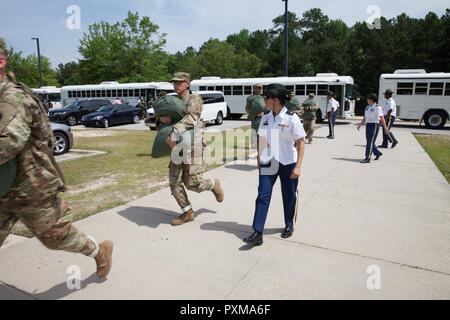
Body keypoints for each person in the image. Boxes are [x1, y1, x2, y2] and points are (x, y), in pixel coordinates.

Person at [0, 38, 113, 278]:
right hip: (2, 190)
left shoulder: (12, 99)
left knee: (56, 238)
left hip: (30, 189)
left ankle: (98, 251)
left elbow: (8, 143)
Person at [243, 84, 306, 246]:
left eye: (267, 98)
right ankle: (257, 232)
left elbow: (300, 142)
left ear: (275, 100)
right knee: (263, 195)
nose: (264, 100)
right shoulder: (265, 117)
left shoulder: (292, 118)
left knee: (289, 195)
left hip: (288, 162)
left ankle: (289, 224)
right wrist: (259, 156)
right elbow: (262, 137)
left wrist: (298, 166)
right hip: (268, 161)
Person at [161, 72, 224, 226]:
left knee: (193, 184)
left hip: (193, 145)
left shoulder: (194, 99)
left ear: (187, 83)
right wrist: (161, 119)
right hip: (177, 146)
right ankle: (188, 212)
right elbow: (165, 116)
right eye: (174, 82)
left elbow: (191, 119)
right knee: (174, 182)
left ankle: (212, 184)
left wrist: (174, 130)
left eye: (179, 82)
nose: (176, 85)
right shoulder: (174, 100)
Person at [357, 93, 389, 163]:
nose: (367, 100)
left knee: (370, 142)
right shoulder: (367, 107)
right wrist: (360, 124)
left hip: (374, 126)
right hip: (368, 125)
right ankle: (377, 153)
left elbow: (382, 118)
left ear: (372, 100)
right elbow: (365, 117)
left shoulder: (377, 108)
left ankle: (367, 158)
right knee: (369, 141)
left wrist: (385, 128)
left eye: (368, 99)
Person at [245, 84, 264, 148]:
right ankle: (254, 144)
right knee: (255, 130)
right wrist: (253, 113)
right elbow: (247, 109)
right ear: (254, 89)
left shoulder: (263, 97)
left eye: (260, 88)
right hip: (255, 117)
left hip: (264, 116)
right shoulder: (250, 98)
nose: (259, 90)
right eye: (257, 88)